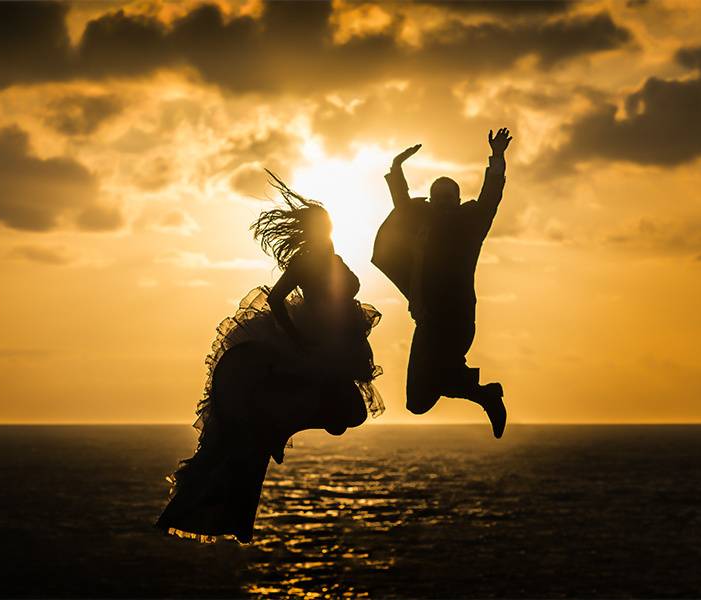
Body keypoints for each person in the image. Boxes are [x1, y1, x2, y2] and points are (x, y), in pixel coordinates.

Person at [156, 172, 383, 543]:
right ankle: (226, 502)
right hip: (316, 341)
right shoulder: (305, 263)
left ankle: (281, 426)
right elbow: (276, 299)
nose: (328, 232)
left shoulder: (334, 257)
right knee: (332, 417)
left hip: (337, 342)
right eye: (323, 227)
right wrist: (295, 335)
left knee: (349, 415)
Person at [372, 128, 512, 438]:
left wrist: (498, 157)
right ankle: (482, 391)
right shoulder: (423, 224)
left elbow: (491, 195)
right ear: (433, 201)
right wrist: (396, 169)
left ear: (458, 200)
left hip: (455, 319)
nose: (445, 204)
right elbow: (403, 205)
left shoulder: (470, 224)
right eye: (439, 199)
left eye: (450, 199)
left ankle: (483, 394)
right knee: (417, 402)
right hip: (426, 319)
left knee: (426, 393)